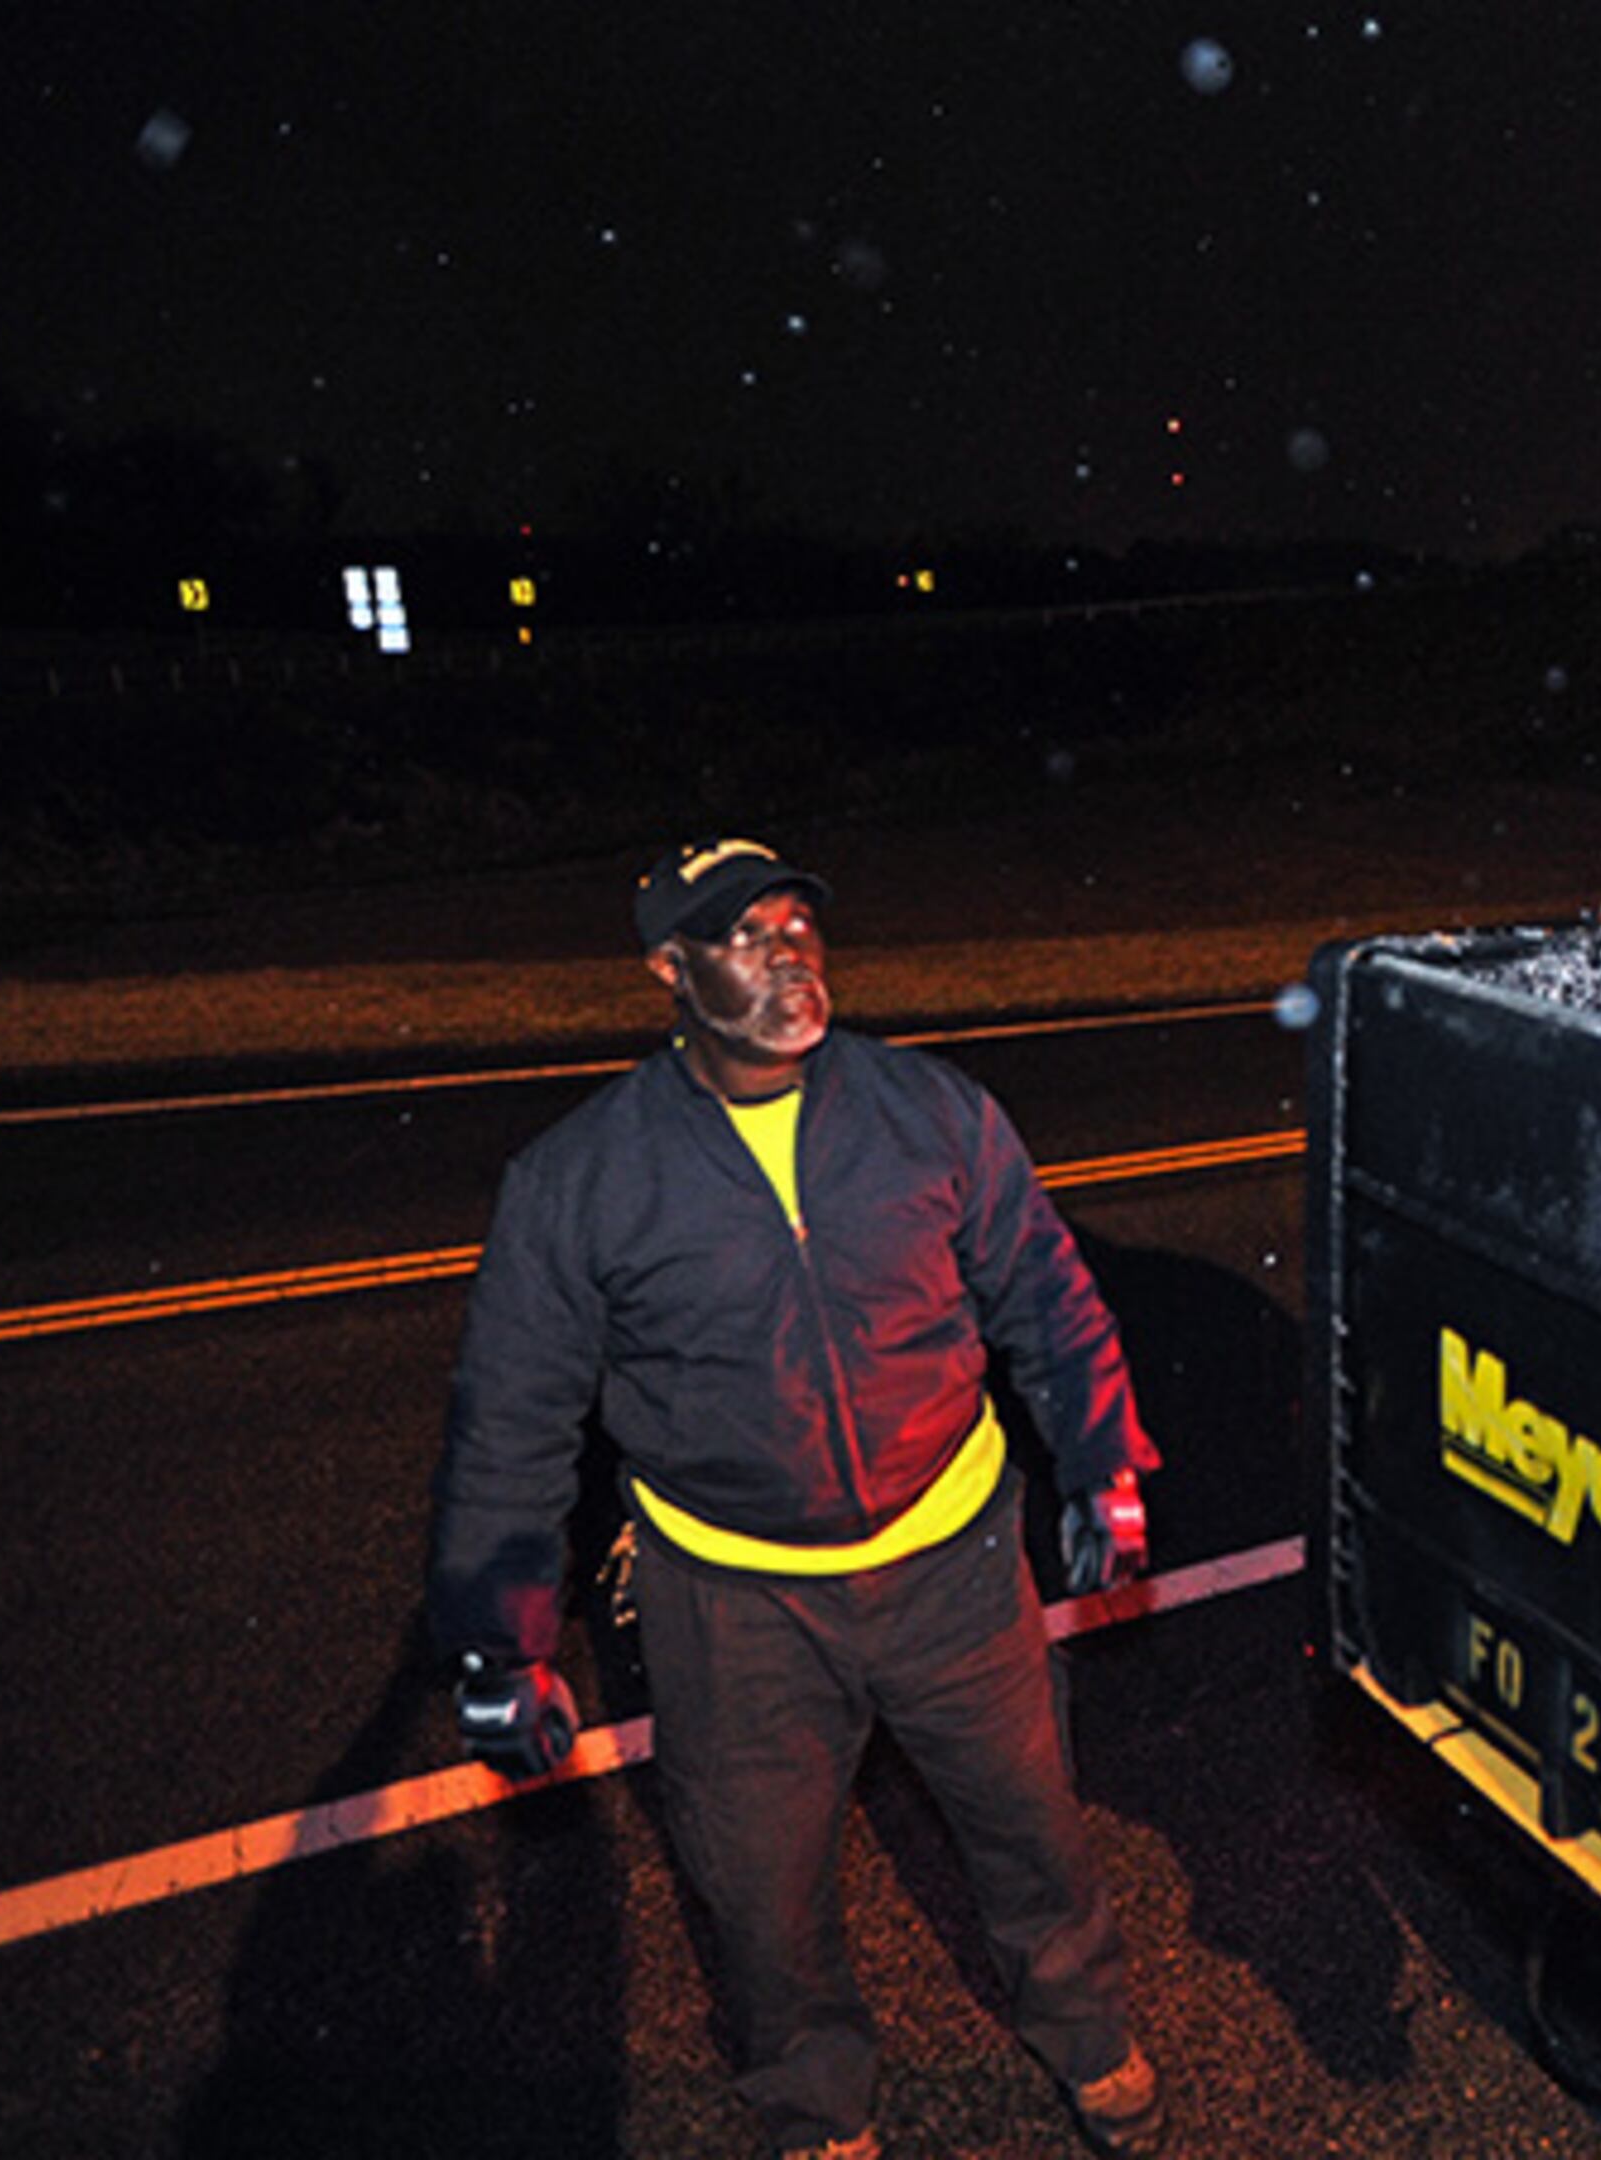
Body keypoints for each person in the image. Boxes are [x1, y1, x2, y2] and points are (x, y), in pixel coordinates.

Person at [428, 837, 1169, 2160]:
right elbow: (514, 1418)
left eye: (796, 923)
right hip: (736, 1604)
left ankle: (1086, 2032)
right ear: (669, 967)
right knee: (760, 1894)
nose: (787, 952)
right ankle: (816, 2105)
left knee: (1032, 1830)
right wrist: (503, 1641)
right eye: (742, 933)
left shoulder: (929, 1109)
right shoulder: (578, 1181)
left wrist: (1099, 1458)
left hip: (953, 1563)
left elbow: (1042, 1289)